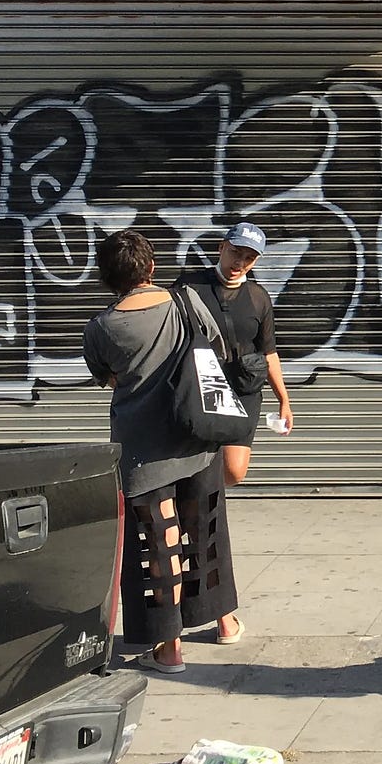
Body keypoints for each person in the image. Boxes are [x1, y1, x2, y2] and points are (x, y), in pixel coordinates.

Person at [82, 229, 241, 673]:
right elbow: (217, 353)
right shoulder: (187, 301)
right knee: (205, 530)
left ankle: (169, 650)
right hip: (197, 437)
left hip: (140, 454)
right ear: (151, 268)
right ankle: (225, 622)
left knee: (159, 543)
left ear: (107, 278)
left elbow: (110, 379)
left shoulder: (100, 328)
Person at [174, 220, 293, 647]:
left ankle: (202, 496)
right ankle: (200, 499)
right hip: (203, 392)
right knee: (207, 470)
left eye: (249, 256)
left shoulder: (259, 299)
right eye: (235, 251)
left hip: (244, 391)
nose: (240, 261)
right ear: (221, 248)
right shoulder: (189, 287)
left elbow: (271, 351)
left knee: (236, 471)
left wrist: (284, 398)